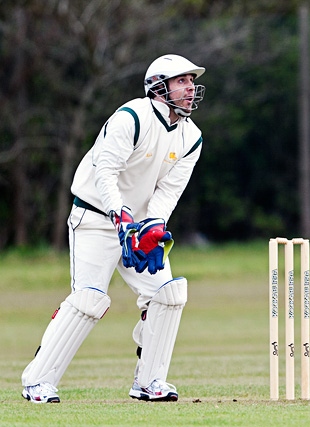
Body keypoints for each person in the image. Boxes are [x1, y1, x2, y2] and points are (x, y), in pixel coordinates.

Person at [21, 54, 206, 403]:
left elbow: (168, 191)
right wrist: (119, 217)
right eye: (181, 81)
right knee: (89, 299)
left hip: (136, 227)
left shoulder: (192, 138)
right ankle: (37, 381)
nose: (190, 87)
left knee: (168, 293)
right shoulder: (131, 117)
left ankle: (149, 381)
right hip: (94, 218)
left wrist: (152, 227)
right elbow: (105, 171)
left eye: (191, 81)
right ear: (159, 87)